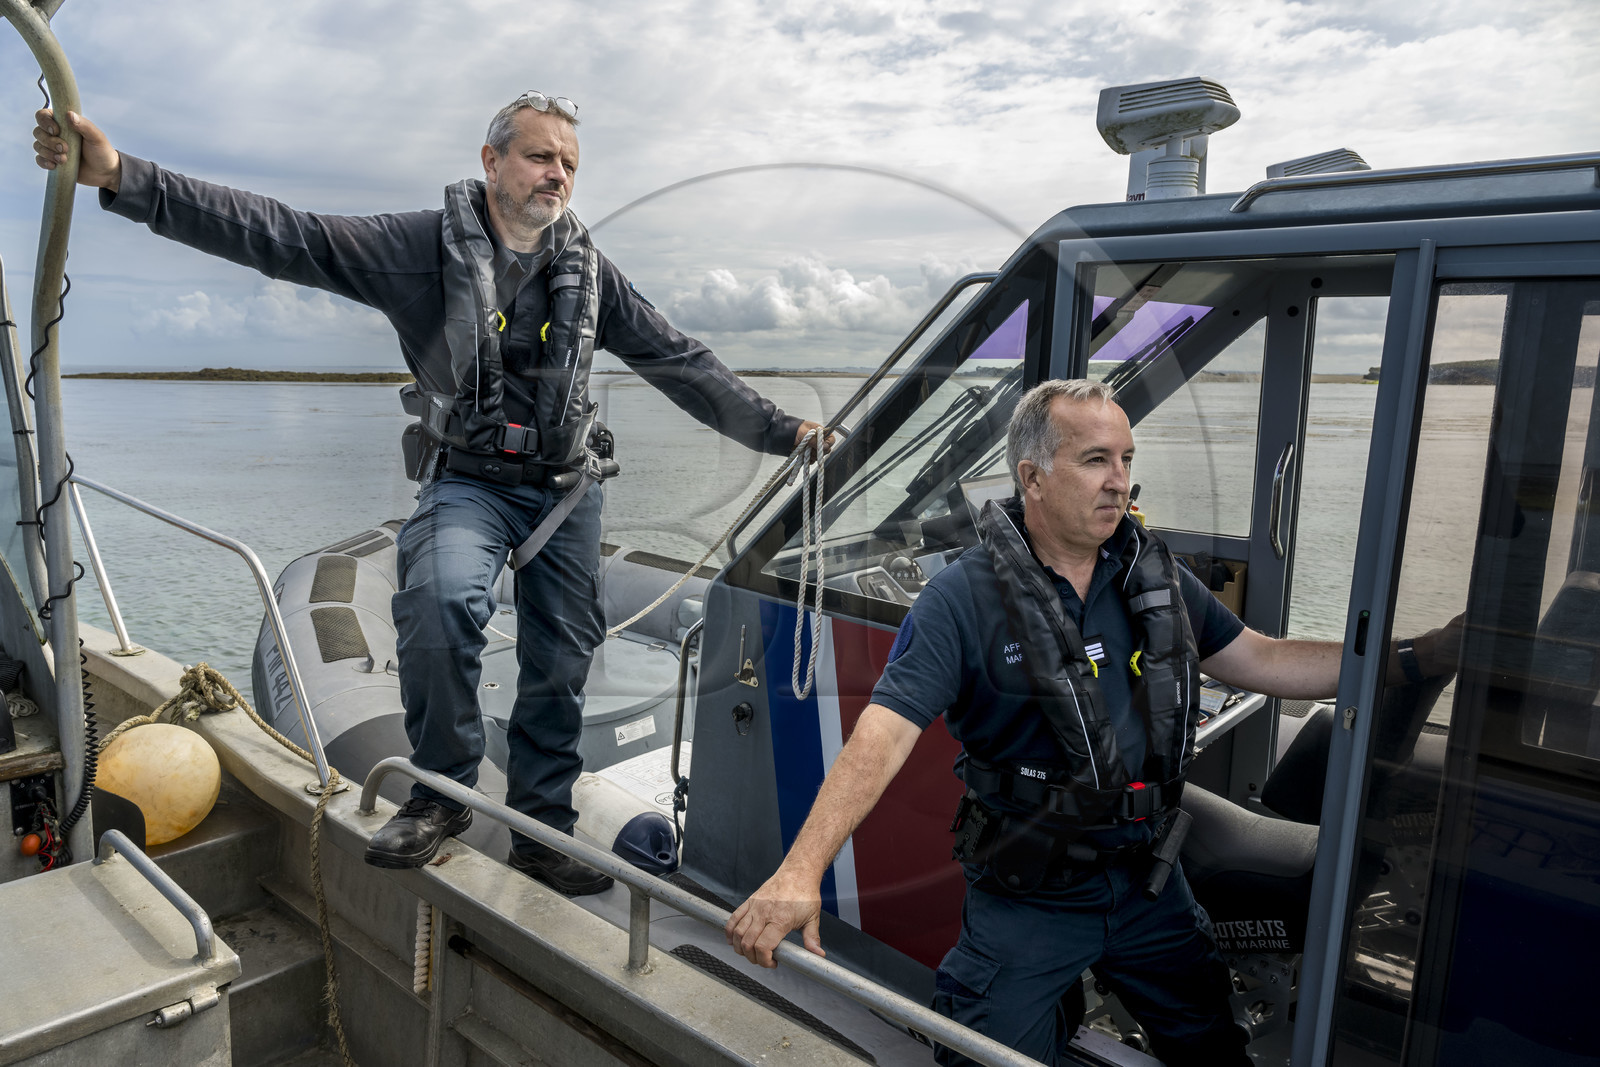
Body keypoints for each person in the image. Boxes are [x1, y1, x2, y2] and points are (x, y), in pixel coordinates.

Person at [35, 93, 825, 897]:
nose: (558, 175)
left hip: (562, 490)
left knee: (560, 658)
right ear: (492, 161)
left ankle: (544, 831)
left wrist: (784, 430)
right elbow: (285, 235)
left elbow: (678, 361)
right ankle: (441, 791)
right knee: (442, 602)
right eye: (540, 156)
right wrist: (125, 177)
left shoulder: (590, 272)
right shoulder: (418, 249)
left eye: (570, 165)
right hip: (469, 483)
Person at [725, 379, 1460, 1065]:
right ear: (1032, 477)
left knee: (1212, 1047)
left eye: (1126, 459)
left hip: (1147, 879)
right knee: (985, 1055)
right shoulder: (960, 601)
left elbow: (1259, 659)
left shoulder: (1153, 574)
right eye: (1096, 460)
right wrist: (800, 870)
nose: (1120, 479)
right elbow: (881, 735)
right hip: (1029, 896)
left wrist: (1414, 657)